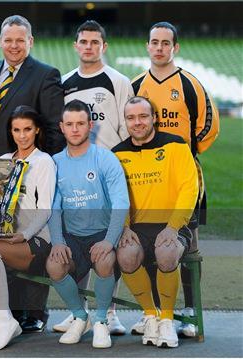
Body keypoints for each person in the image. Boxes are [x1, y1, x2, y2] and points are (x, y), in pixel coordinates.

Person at [0, 14, 65, 332]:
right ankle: (7, 313)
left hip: (32, 171)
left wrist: (44, 167)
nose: (14, 46)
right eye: (8, 40)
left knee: (30, 238)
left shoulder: (45, 74)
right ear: (0, 42)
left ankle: (33, 314)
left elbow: (54, 128)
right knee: (0, 239)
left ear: (30, 42)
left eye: (20, 40)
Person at [131, 21, 219, 337]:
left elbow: (208, 126)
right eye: (154, 42)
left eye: (165, 43)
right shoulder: (136, 84)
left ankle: (191, 309)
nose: (159, 48)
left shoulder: (190, 84)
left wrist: (184, 155)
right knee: (150, 242)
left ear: (175, 48)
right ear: (147, 45)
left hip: (183, 177)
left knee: (187, 247)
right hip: (147, 178)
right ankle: (155, 311)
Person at [54, 19, 133, 336]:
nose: (88, 47)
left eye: (94, 42)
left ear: (104, 46)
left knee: (107, 241)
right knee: (78, 237)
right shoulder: (65, 82)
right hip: (76, 173)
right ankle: (79, 314)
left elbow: (128, 131)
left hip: (108, 170)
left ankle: (110, 312)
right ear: (75, 46)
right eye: (83, 42)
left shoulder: (119, 81)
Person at [113, 96, 198, 348]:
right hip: (137, 228)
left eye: (142, 116)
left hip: (173, 224)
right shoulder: (117, 154)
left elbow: (188, 188)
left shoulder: (176, 145)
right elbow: (116, 196)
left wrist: (173, 226)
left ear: (154, 118)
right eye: (131, 118)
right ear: (125, 121)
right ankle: (151, 315)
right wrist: (124, 226)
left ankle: (167, 321)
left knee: (167, 252)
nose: (137, 122)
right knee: (126, 256)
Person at [0, 105, 56, 350]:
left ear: (37, 130)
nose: (22, 135)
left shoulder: (43, 162)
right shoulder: (3, 162)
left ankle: (4, 321)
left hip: (36, 239)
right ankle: (5, 318)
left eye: (27, 129)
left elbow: (46, 208)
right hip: (5, 238)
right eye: (16, 130)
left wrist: (25, 234)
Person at [47, 99, 129, 348]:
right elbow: (53, 207)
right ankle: (81, 317)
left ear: (90, 125)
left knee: (105, 260)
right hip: (72, 235)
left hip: (101, 232)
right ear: (62, 127)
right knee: (54, 266)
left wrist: (108, 240)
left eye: (80, 123)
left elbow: (120, 203)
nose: (75, 129)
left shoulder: (106, 159)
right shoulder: (55, 163)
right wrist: (58, 242)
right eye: (69, 124)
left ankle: (102, 320)